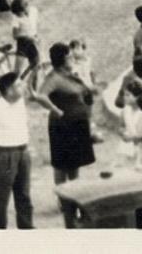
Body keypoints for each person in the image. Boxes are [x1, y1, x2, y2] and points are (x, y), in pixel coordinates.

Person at [33, 42, 96, 227]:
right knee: (62, 165)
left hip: (77, 125)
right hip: (63, 127)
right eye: (69, 56)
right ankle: (64, 203)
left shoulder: (70, 74)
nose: (72, 58)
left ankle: (75, 198)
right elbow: (40, 95)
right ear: (62, 59)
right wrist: (55, 109)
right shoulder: (54, 77)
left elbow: (84, 92)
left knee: (75, 164)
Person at [0, 72, 35, 229]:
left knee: (24, 196)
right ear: (9, 90)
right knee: (1, 199)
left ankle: (26, 229)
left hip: (23, 153)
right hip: (4, 156)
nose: (23, 87)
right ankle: (0, 232)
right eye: (19, 85)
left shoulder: (20, 103)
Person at [9, 0, 40, 85]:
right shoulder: (16, 18)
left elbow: (35, 24)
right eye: (17, 14)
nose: (18, 15)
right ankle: (11, 85)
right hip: (23, 43)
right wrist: (28, 36)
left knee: (36, 66)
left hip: (33, 42)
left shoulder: (34, 11)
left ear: (26, 7)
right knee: (17, 72)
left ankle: (33, 89)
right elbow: (15, 35)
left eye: (19, 13)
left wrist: (35, 36)